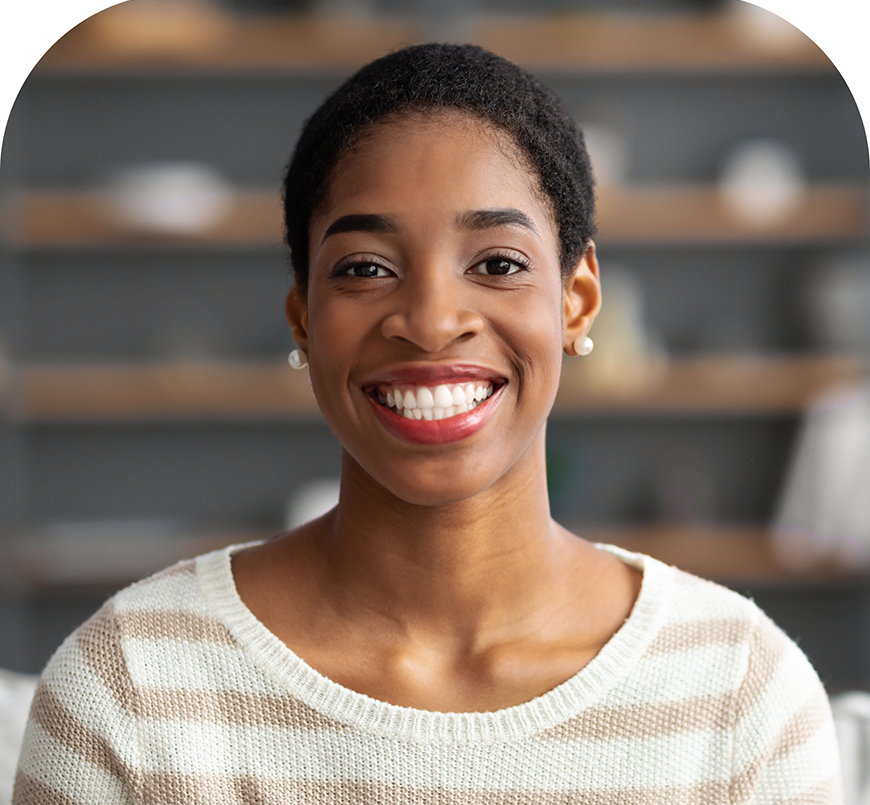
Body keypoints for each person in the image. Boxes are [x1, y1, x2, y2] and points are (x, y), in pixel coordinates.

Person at [14, 43, 841, 804]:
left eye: (498, 264)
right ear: (304, 319)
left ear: (578, 301)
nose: (432, 320)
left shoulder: (740, 692)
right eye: (366, 268)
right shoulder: (130, 688)